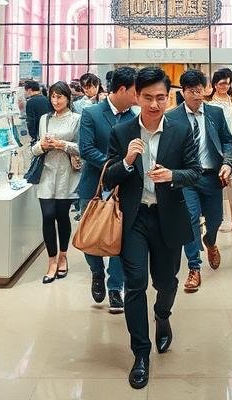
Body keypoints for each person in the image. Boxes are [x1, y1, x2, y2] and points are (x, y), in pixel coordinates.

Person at [102, 67, 200, 390]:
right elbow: (108, 177)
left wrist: (172, 176)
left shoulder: (181, 130)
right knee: (135, 283)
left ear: (168, 96)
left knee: (166, 281)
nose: (154, 104)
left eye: (160, 97)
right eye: (147, 97)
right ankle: (140, 353)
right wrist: (128, 161)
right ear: (136, 96)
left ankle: (162, 314)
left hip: (168, 216)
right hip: (134, 219)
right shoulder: (121, 131)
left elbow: (195, 172)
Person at [77, 67, 138, 314]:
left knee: (118, 238)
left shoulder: (135, 117)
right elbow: (86, 149)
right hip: (93, 186)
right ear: (122, 89)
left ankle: (115, 287)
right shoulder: (92, 114)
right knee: (89, 234)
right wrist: (114, 166)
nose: (138, 96)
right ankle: (96, 273)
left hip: (124, 190)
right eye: (135, 91)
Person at [169, 69, 232, 293]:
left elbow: (227, 141)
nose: (196, 95)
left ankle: (211, 241)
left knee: (215, 220)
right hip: (186, 177)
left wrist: (228, 162)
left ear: (206, 89)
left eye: (199, 90)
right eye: (191, 91)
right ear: (183, 92)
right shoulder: (172, 116)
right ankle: (194, 267)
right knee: (190, 219)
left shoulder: (215, 113)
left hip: (211, 176)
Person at [32, 81, 81, 284]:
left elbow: (82, 148)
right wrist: (42, 146)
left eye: (59, 96)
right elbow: (34, 149)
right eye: (52, 96)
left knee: (62, 216)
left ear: (68, 98)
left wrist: (63, 144)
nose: (55, 100)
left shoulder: (76, 119)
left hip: (67, 174)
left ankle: (63, 256)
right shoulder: (44, 119)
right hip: (46, 173)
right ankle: (51, 261)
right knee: (47, 215)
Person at [206, 68, 232, 235]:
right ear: (215, 84)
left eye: (228, 82)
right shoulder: (208, 102)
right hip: (214, 147)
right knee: (217, 184)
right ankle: (220, 220)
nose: (225, 85)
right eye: (222, 82)